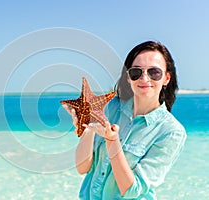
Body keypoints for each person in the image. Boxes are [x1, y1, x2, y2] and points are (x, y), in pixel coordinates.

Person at [65, 41, 187, 199]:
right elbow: (83, 168)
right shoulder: (109, 108)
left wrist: (112, 141)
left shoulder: (171, 132)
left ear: (166, 78)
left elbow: (131, 189)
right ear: (129, 78)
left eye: (154, 72)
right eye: (136, 72)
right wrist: (87, 128)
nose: (144, 78)